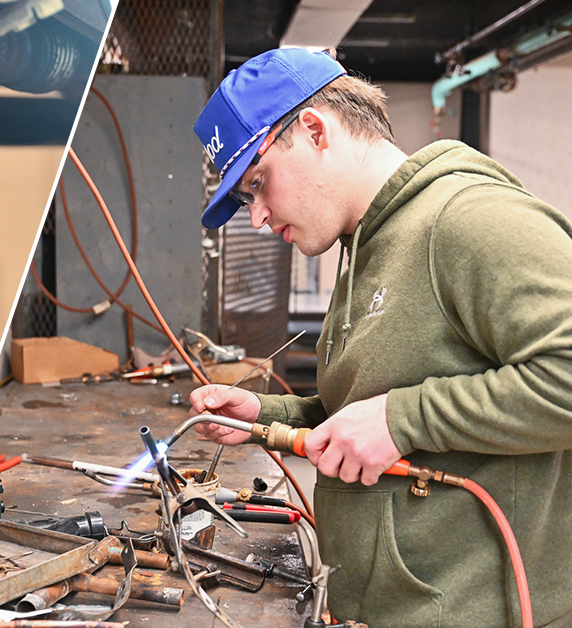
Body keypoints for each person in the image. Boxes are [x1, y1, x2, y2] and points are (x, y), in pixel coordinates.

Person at [185, 47, 572, 626]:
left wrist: (404, 418)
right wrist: (268, 412)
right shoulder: (362, 244)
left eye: (258, 183)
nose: (259, 217)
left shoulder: (467, 218)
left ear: (314, 130)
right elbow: (369, 409)